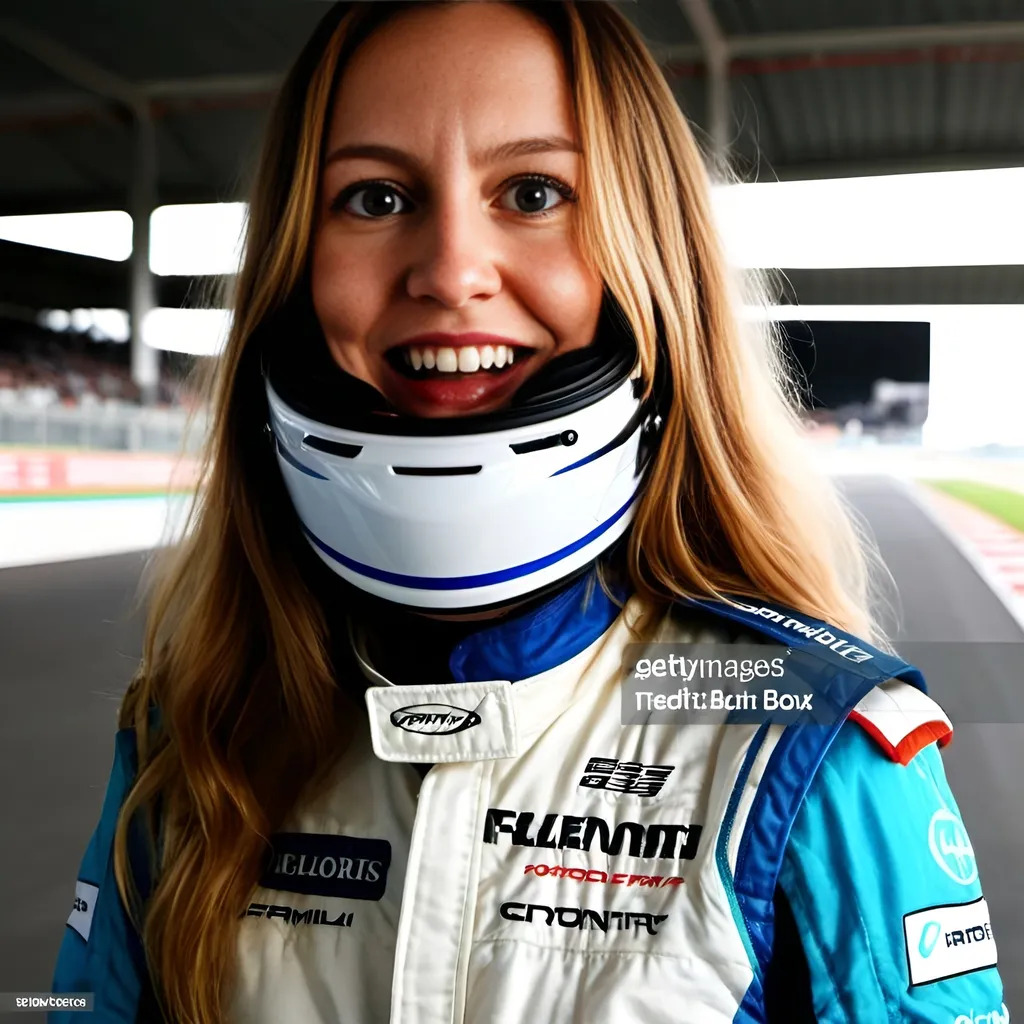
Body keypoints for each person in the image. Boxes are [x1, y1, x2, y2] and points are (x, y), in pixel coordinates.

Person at [51, 2, 1007, 1022]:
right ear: (292, 272)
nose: (452, 271)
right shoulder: (190, 732)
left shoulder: (805, 739)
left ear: (652, 264)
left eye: (534, 191)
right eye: (374, 197)